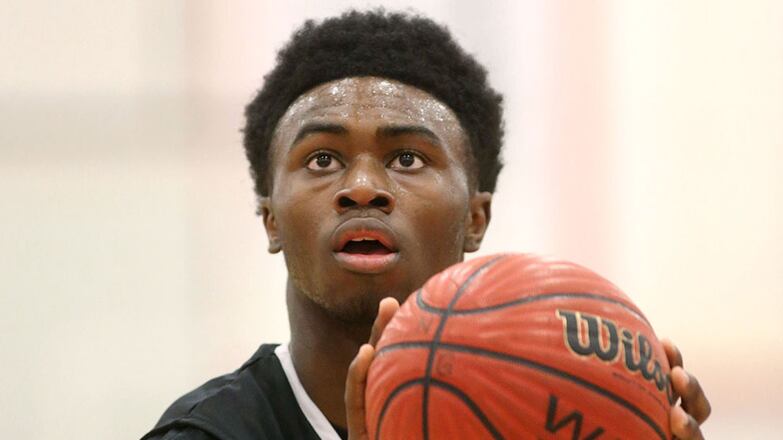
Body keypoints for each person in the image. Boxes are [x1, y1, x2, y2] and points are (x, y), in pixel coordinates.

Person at [142, 10, 710, 440]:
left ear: (475, 219)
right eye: (322, 159)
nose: (362, 187)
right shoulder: (207, 434)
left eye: (408, 158)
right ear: (270, 220)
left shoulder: (534, 414)